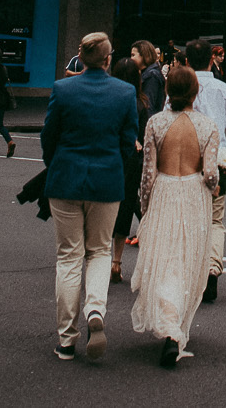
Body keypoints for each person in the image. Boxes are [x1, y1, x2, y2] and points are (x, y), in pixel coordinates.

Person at [41, 31, 140, 363]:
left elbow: (49, 135)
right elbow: (129, 141)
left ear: (81, 58)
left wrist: (54, 163)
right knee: (98, 251)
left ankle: (66, 339)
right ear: (108, 59)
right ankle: (95, 310)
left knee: (69, 256)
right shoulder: (125, 92)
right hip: (107, 181)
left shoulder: (62, 89)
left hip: (65, 178)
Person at [130, 64, 218, 367]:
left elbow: (148, 172)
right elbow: (210, 174)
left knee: (165, 259)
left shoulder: (155, 123)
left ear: (168, 91)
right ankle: (174, 327)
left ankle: (169, 324)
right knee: (186, 259)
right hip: (193, 194)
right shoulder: (207, 126)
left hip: (164, 191)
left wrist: (145, 205)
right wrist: (216, 188)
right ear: (195, 92)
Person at [185, 38, 226, 301]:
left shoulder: (180, 89)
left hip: (185, 160)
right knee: (215, 220)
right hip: (217, 158)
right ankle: (212, 268)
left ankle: (189, 270)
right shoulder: (224, 89)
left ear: (187, 61)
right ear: (212, 59)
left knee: (188, 218)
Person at [109, 55, 148, 283]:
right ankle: (117, 261)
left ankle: (100, 256)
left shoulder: (110, 98)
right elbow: (142, 134)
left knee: (105, 207)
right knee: (125, 209)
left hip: (111, 156)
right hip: (131, 160)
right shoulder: (141, 102)